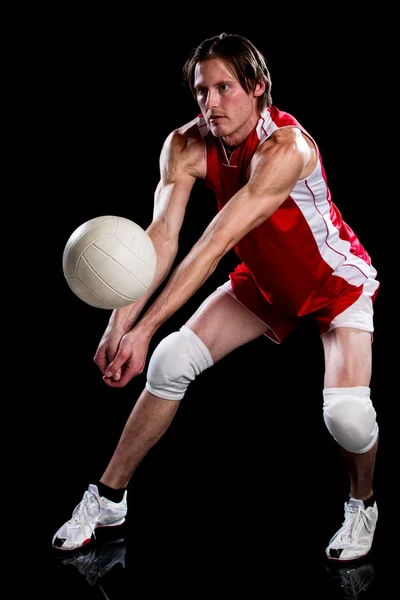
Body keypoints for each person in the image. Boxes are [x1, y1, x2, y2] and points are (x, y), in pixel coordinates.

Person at [52, 32, 380, 562]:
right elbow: (160, 239)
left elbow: (212, 245)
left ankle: (362, 503)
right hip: (267, 282)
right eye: (202, 91)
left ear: (257, 88)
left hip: (332, 284)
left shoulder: (285, 149)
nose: (211, 103)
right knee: (170, 359)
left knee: (347, 417)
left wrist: (143, 327)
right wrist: (119, 329)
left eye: (225, 88)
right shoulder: (184, 145)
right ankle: (109, 499)